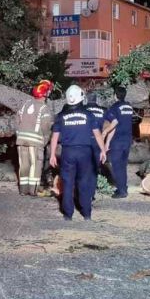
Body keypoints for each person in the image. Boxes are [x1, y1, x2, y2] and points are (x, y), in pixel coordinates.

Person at [50, 85, 106, 220]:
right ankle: (86, 213)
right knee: (84, 182)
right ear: (81, 97)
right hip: (85, 153)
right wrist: (103, 150)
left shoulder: (61, 116)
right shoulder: (88, 115)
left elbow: (55, 137)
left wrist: (52, 154)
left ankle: (68, 214)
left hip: (68, 152)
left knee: (68, 183)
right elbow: (97, 134)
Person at [15, 80, 54, 196]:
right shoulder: (44, 108)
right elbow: (46, 126)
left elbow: (16, 120)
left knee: (24, 165)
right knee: (35, 165)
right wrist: (45, 140)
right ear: (45, 94)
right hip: (36, 141)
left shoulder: (24, 105)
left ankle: (23, 190)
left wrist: (19, 134)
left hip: (21, 140)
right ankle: (33, 190)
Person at [102, 86, 134, 198]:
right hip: (128, 140)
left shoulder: (114, 108)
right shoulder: (129, 106)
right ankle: (124, 187)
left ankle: (121, 191)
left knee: (116, 166)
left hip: (118, 141)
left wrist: (105, 133)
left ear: (115, 95)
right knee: (123, 166)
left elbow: (114, 124)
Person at [85, 92, 107, 195]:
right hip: (98, 142)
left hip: (85, 141)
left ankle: (85, 191)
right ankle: (92, 193)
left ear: (86, 99)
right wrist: (105, 132)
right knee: (94, 169)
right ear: (96, 99)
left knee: (84, 168)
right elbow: (114, 121)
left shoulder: (83, 110)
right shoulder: (102, 110)